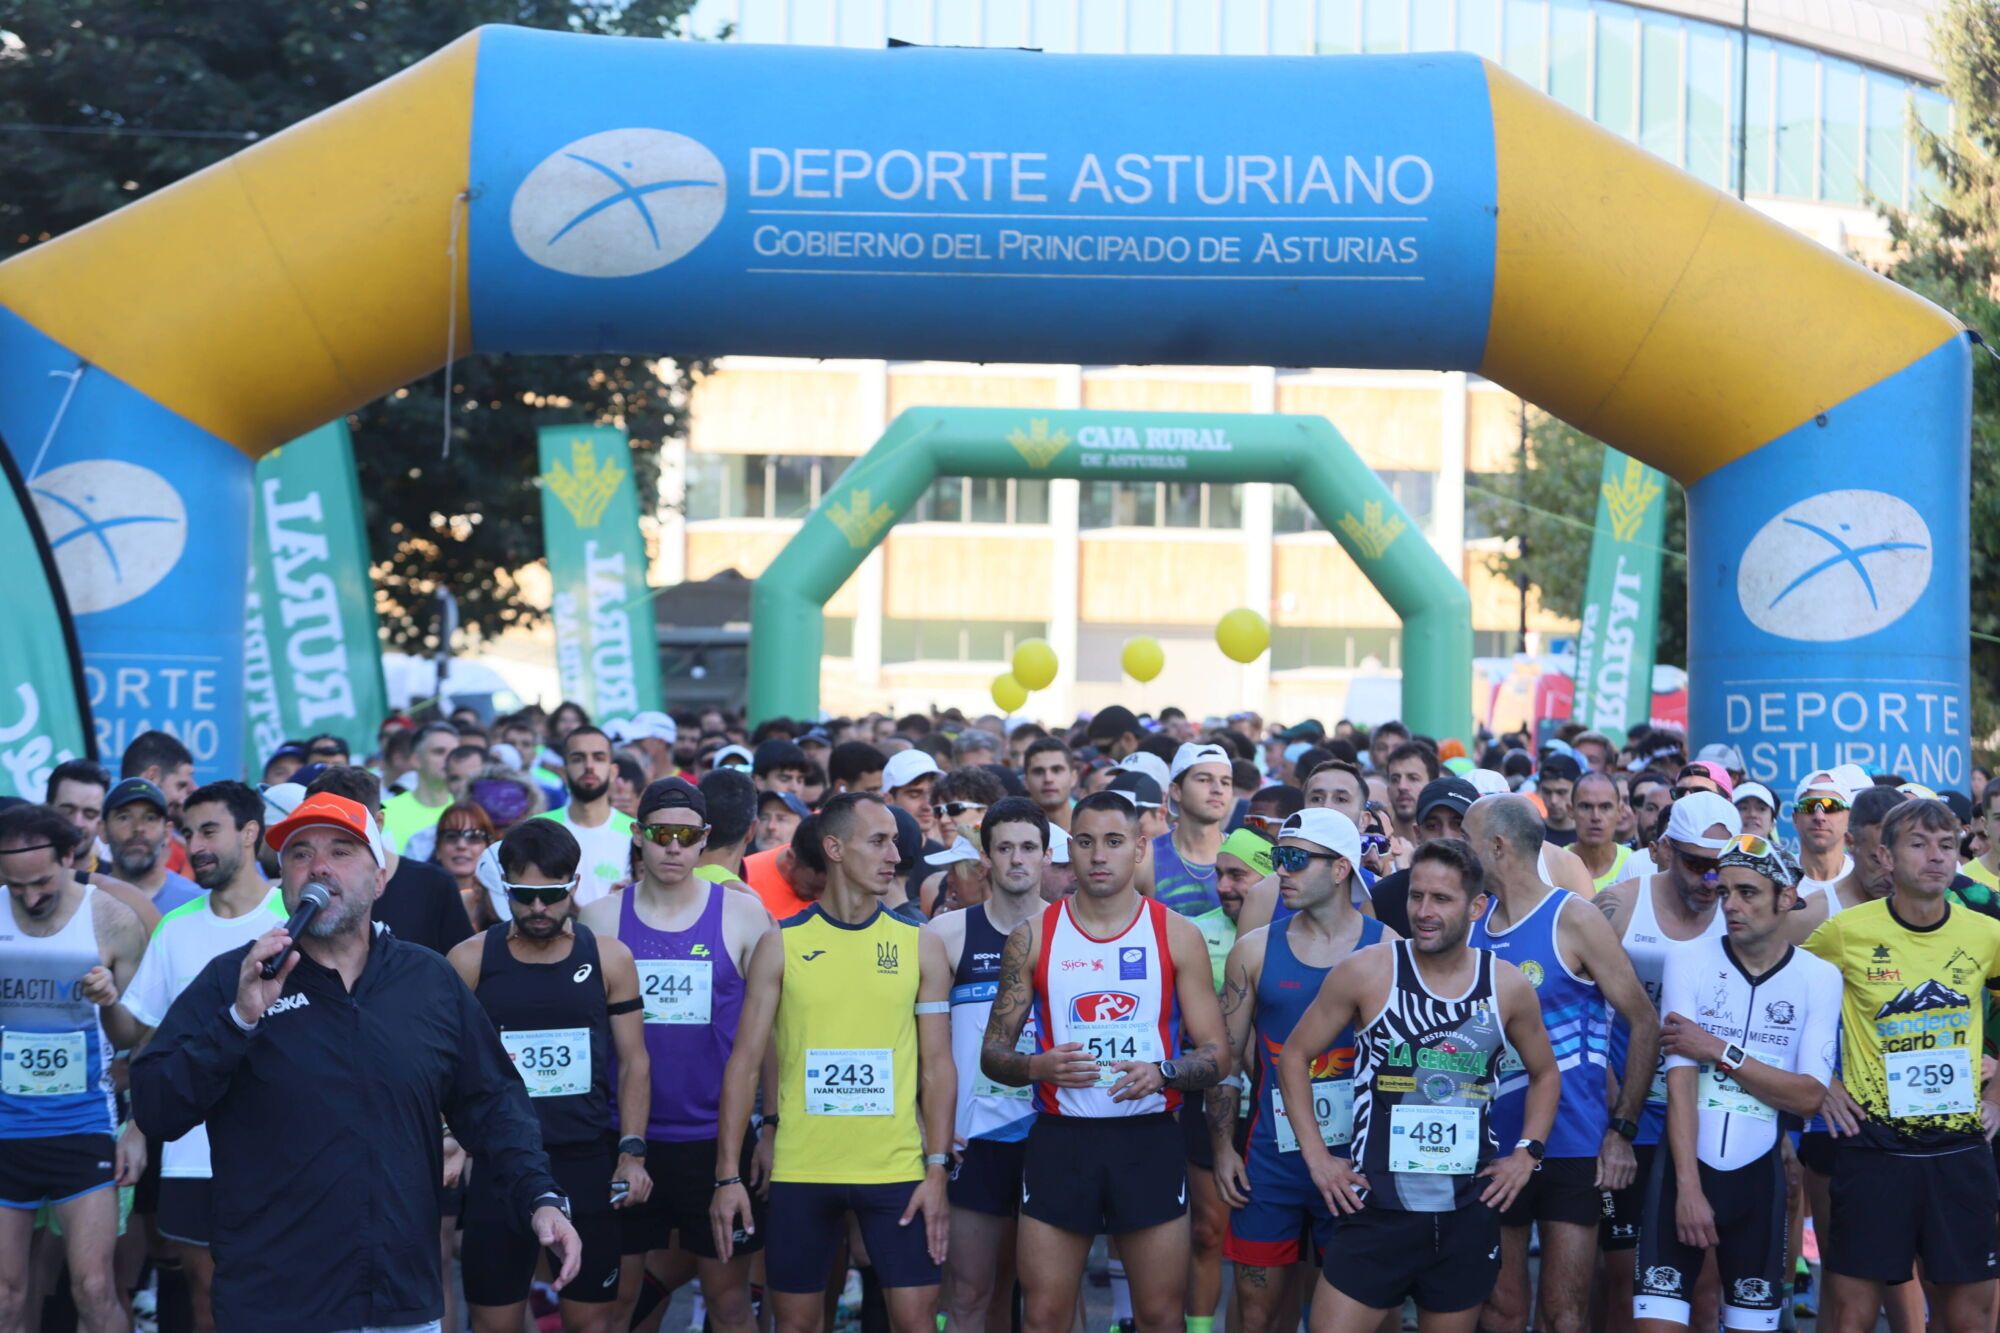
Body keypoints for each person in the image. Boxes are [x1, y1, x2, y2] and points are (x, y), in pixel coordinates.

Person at [130, 790, 581, 1330]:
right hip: (277, 1303)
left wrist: (541, 1197)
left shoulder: (429, 980)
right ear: (284, 880)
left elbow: (493, 1102)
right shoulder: (237, 979)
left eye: (342, 851)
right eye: (300, 854)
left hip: (398, 1300)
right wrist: (238, 1020)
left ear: (380, 879)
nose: (318, 866)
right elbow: (157, 1108)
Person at [1279, 839, 1558, 1333]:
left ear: (1476, 906)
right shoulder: (1367, 971)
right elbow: (1294, 1056)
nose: (1424, 912)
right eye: (1416, 896)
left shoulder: (1507, 986)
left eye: (1441, 900)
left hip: (1465, 1210)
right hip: (1376, 1208)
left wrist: (1527, 1153)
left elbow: (1545, 1073)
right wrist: (1318, 1158)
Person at [978, 790, 1232, 1333]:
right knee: (1044, 1316)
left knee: (1160, 1315)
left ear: (1139, 848)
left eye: (1113, 842)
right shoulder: (1034, 936)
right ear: (1070, 849)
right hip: (1060, 1140)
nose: (1098, 856)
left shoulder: (1174, 933)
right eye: (1086, 842)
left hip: (1147, 1140)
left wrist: (1164, 1072)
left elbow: (1217, 1054)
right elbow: (993, 1054)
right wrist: (1036, 1067)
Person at [711, 793, 953, 1333]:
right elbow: (744, 1064)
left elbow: (937, 1065)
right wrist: (727, 1175)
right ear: (835, 848)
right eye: (879, 841)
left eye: (895, 841)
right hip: (802, 1170)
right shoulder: (781, 944)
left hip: (896, 1169)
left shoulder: (921, 946)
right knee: (796, 1326)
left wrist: (938, 1168)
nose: (895, 853)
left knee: (916, 1323)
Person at [577, 778, 773, 1333]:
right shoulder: (599, 919)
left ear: (704, 839)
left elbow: (770, 1034)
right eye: (661, 833)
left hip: (716, 1140)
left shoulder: (743, 917)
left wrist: (773, 1125)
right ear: (638, 836)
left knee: (729, 1302)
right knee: (617, 1302)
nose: (673, 847)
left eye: (687, 836)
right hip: (625, 1138)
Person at [1803, 798, 2000, 1333]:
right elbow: (1784, 996)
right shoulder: (1846, 932)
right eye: (1918, 844)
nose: (1935, 857)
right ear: (1886, 857)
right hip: (1874, 1148)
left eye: (1946, 845)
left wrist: (1997, 1089)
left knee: (1970, 1316)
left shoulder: (1985, 933)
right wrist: (1820, 1083)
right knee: (1852, 1315)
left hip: (1959, 1148)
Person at [1465, 796, 1659, 1333]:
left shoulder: (1573, 917)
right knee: (1500, 1310)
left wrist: (1622, 1127)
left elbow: (1642, 1020)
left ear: (1497, 847)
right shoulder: (1473, 921)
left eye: (1467, 838)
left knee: (1563, 1314)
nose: (1460, 849)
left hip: (1572, 1140)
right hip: (1490, 1140)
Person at [450, 819, 652, 1333]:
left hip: (583, 1159)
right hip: (499, 1166)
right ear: (505, 887)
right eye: (523, 895)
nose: (537, 909)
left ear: (574, 886)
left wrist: (632, 1152)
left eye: (551, 895)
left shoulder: (608, 958)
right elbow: (444, 1064)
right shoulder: (470, 960)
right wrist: (451, 1137)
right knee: (495, 1324)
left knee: (591, 1323)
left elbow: (633, 1060)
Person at [104, 782, 285, 1333]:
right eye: (189, 832)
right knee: (209, 1298)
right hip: (194, 1149)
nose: (195, 844)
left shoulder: (296, 913)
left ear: (250, 833)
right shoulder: (176, 929)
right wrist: (137, 1125)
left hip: (288, 1146)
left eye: (210, 830)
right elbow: (145, 1038)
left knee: (285, 1292)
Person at [1639, 835, 1839, 1333]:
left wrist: (1717, 1049)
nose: (1731, 905)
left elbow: (1809, 1095)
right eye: (1724, 891)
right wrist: (1687, 1189)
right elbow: (1680, 1085)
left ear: (1786, 898)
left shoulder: (1819, 977)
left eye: (1747, 893)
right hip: (1681, 1176)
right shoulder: (1688, 959)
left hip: (1759, 1184)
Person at [1211, 809, 1388, 1333]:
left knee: (1353, 1313)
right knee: (1256, 1310)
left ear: (1340, 870)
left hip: (1357, 1163)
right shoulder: (1254, 949)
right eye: (1276, 859)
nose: (1279, 872)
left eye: (1293, 859)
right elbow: (1226, 1062)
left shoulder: (1388, 948)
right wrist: (1222, 1148)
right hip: (1270, 1160)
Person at [0, 803, 150, 1333]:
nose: (31, 897)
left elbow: (134, 1037)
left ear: (70, 856)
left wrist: (109, 999)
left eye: (41, 882)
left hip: (81, 1125)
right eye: (15, 888)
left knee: (93, 1287)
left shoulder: (112, 918)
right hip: (4, 1128)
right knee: (6, 1297)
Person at [1592, 793, 1738, 1314]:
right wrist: (1611, 1108)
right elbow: (1581, 1008)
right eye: (1697, 864)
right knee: (1622, 1278)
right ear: (1665, 852)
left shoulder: (1741, 914)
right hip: (1625, 1106)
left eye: (1723, 867)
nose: (1711, 881)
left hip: (1708, 1111)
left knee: (1704, 1280)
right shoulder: (1621, 905)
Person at [931, 797, 1051, 1333]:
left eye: (1029, 847)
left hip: (1054, 1132)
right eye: (1005, 848)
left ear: (1048, 856)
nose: (1018, 859)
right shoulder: (947, 935)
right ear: (986, 858)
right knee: (971, 1293)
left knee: (1049, 1298)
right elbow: (919, 1046)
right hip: (972, 1138)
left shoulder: (1072, 931)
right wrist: (926, 1124)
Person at [308, 765, 473, 956]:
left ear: (377, 823)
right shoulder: (300, 890)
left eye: (346, 830)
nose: (322, 866)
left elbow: (461, 969)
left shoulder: (435, 885)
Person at [537, 726, 640, 906]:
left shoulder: (636, 833)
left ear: (613, 772)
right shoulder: (539, 829)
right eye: (578, 758)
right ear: (563, 770)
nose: (589, 766)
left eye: (599, 758)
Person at [1368, 776, 1479, 936]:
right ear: (1418, 834)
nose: (1446, 835)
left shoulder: (1497, 897)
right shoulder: (1383, 898)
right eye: (1433, 826)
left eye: (1458, 825)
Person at [103, 778, 202, 914]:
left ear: (167, 833)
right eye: (124, 817)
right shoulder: (83, 904)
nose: (138, 828)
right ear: (103, 831)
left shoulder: (198, 904)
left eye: (150, 818)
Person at [121, 730, 197, 876]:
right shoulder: (96, 857)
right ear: (152, 776)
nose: (182, 799)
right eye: (180, 786)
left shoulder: (187, 856)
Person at [380, 721, 461, 853]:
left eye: (455, 753)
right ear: (416, 760)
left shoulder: (469, 810)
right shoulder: (386, 812)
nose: (448, 759)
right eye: (439, 752)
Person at [432, 799, 502, 931]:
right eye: (451, 836)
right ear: (437, 848)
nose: (461, 845)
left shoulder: (503, 904)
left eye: (473, 837)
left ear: (488, 846)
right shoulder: (422, 901)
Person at [1792, 768, 1860, 899]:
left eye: (1832, 806)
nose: (1819, 816)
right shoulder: (1777, 881)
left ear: (1849, 818)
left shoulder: (1862, 881)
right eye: (1808, 806)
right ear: (1795, 818)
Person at [1571, 770, 1634, 890]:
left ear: (1620, 811)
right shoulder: (1554, 864)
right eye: (1586, 807)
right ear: (1570, 810)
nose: (1596, 817)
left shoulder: (1633, 865)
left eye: (1605, 807)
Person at [46, 759, 110, 874]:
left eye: (89, 814)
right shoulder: (17, 878)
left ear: (102, 823)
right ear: (46, 811)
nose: (77, 823)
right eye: (66, 811)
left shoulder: (118, 884)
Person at [884, 750, 947, 844]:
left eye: (933, 793)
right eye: (914, 795)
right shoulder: (872, 856)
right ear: (889, 800)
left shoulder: (948, 851)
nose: (927, 806)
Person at [1023, 738, 1076, 835]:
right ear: (1025, 781)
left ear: (1073, 778)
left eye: (1056, 770)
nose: (1048, 779)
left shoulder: (1093, 827)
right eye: (1038, 771)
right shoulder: (1012, 833)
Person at [1538, 755, 1582, 847]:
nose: (1553, 801)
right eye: (1547, 792)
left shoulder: (1589, 836)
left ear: (1577, 790)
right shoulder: (1532, 834)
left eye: (1561, 792)